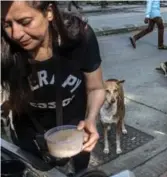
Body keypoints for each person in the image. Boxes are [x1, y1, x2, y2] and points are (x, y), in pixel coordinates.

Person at [1, 1, 105, 174]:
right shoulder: (3, 45)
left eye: (25, 22)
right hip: (29, 136)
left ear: (49, 12)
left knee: (80, 172)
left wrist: (91, 119)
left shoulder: (80, 36)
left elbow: (96, 88)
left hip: (76, 132)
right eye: (6, 25)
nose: (16, 34)